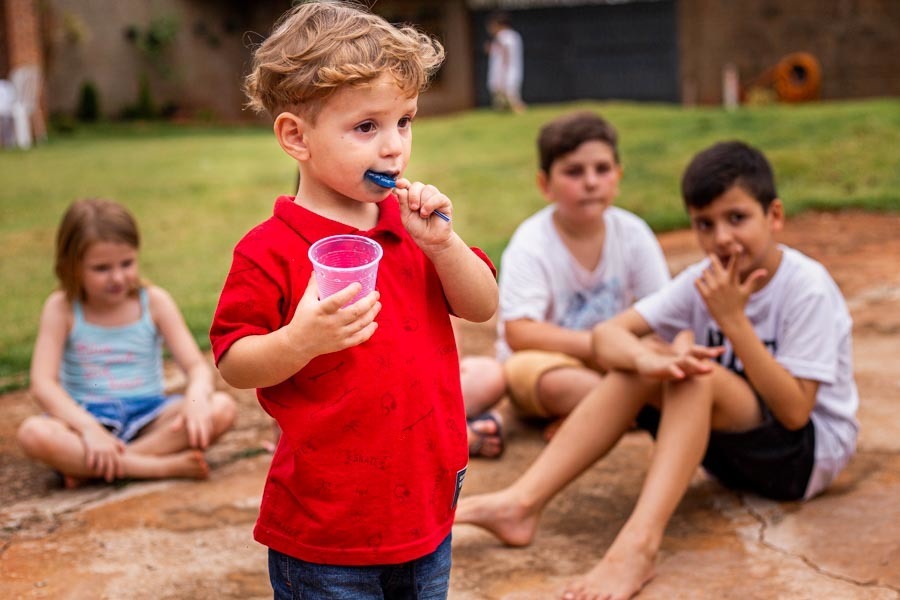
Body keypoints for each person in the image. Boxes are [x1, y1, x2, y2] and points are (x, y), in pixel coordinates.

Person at [455, 140, 859, 600]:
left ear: (775, 217)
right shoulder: (700, 280)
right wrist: (647, 358)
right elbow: (609, 336)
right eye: (705, 224)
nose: (722, 238)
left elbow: (794, 413)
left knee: (691, 372)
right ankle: (521, 504)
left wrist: (732, 321)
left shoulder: (806, 287)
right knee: (652, 363)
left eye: (737, 218)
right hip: (731, 454)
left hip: (801, 460)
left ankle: (638, 547)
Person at [208, 2, 498, 598]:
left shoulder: (413, 224)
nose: (394, 147)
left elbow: (482, 304)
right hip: (326, 526)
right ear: (296, 136)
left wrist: (444, 246)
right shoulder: (269, 249)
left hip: (424, 502)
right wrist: (299, 340)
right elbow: (234, 360)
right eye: (367, 127)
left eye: (405, 122)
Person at [17, 198, 237, 488]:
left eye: (127, 263)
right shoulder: (62, 308)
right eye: (101, 268)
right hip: (85, 417)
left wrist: (196, 400)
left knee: (221, 407)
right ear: (71, 266)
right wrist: (88, 429)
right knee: (33, 433)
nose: (118, 277)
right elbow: (43, 384)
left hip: (150, 416)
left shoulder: (155, 302)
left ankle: (95, 467)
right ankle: (157, 466)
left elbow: (196, 366)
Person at [492, 111, 670, 441]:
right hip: (550, 366)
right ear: (545, 185)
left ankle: (597, 414)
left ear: (617, 175)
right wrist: (602, 344)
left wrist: (624, 351)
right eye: (574, 171)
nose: (591, 182)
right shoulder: (531, 242)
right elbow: (519, 332)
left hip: (610, 365)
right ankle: (619, 409)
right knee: (544, 378)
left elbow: (663, 312)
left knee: (662, 356)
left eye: (602, 169)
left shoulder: (633, 233)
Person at [485, 11, 526, 114]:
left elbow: (505, 55)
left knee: (511, 99)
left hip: (505, 73)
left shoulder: (503, 36)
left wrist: (502, 75)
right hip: (511, 72)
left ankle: (520, 112)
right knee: (506, 99)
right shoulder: (514, 35)